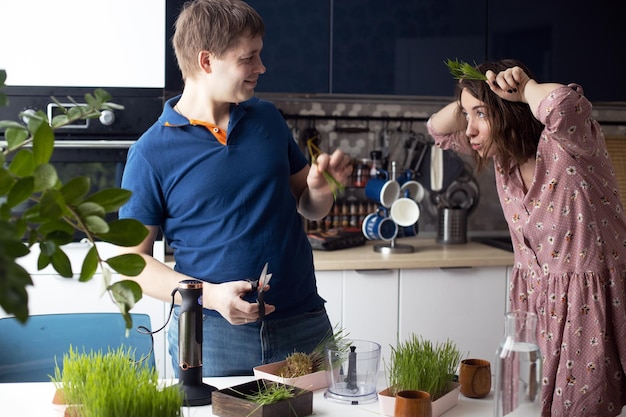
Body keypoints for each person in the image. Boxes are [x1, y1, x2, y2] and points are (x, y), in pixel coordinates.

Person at [117, 0, 352, 377]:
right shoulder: (149, 153)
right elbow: (131, 265)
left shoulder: (267, 118)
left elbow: (309, 207)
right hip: (211, 336)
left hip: (304, 324)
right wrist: (208, 295)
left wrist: (321, 191)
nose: (262, 67)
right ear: (207, 61)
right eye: (249, 58)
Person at [428, 59, 626, 416]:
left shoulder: (570, 144)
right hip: (536, 311)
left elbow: (564, 104)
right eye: (466, 116)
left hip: (589, 312)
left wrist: (523, 89)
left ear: (511, 112)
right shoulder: (503, 160)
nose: (469, 129)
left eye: (481, 116)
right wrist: (473, 94)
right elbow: (437, 129)